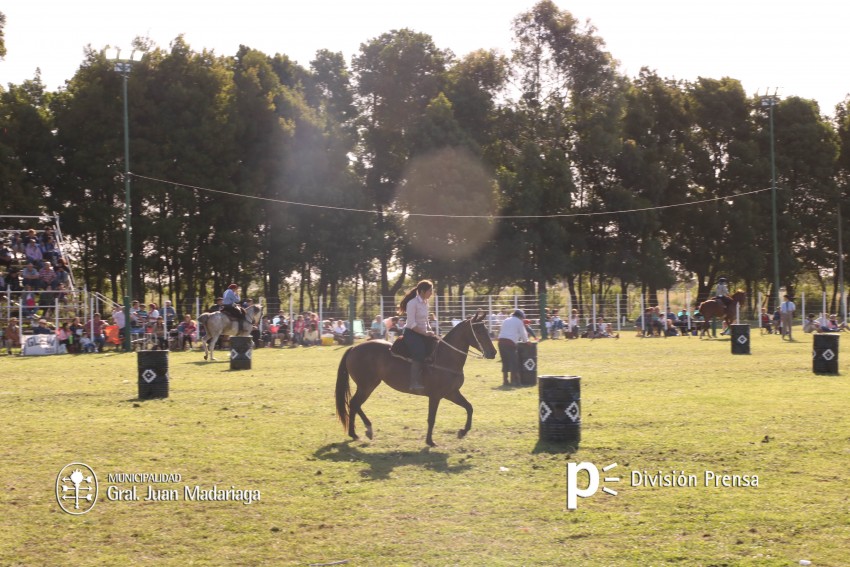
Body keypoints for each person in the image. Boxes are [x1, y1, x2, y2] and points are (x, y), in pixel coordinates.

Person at [398, 280, 436, 393]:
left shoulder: (425, 303)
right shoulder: (412, 303)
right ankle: (414, 383)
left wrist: (430, 330)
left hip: (422, 332)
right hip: (411, 333)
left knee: (436, 347)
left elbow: (425, 320)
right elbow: (412, 324)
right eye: (430, 291)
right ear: (423, 291)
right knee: (420, 353)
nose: (431, 293)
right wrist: (425, 333)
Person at [498, 309, 529, 386]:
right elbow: (523, 334)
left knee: (505, 362)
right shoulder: (519, 322)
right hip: (510, 343)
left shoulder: (506, 320)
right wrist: (526, 341)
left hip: (501, 342)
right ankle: (516, 382)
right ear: (520, 316)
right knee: (514, 362)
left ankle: (505, 381)